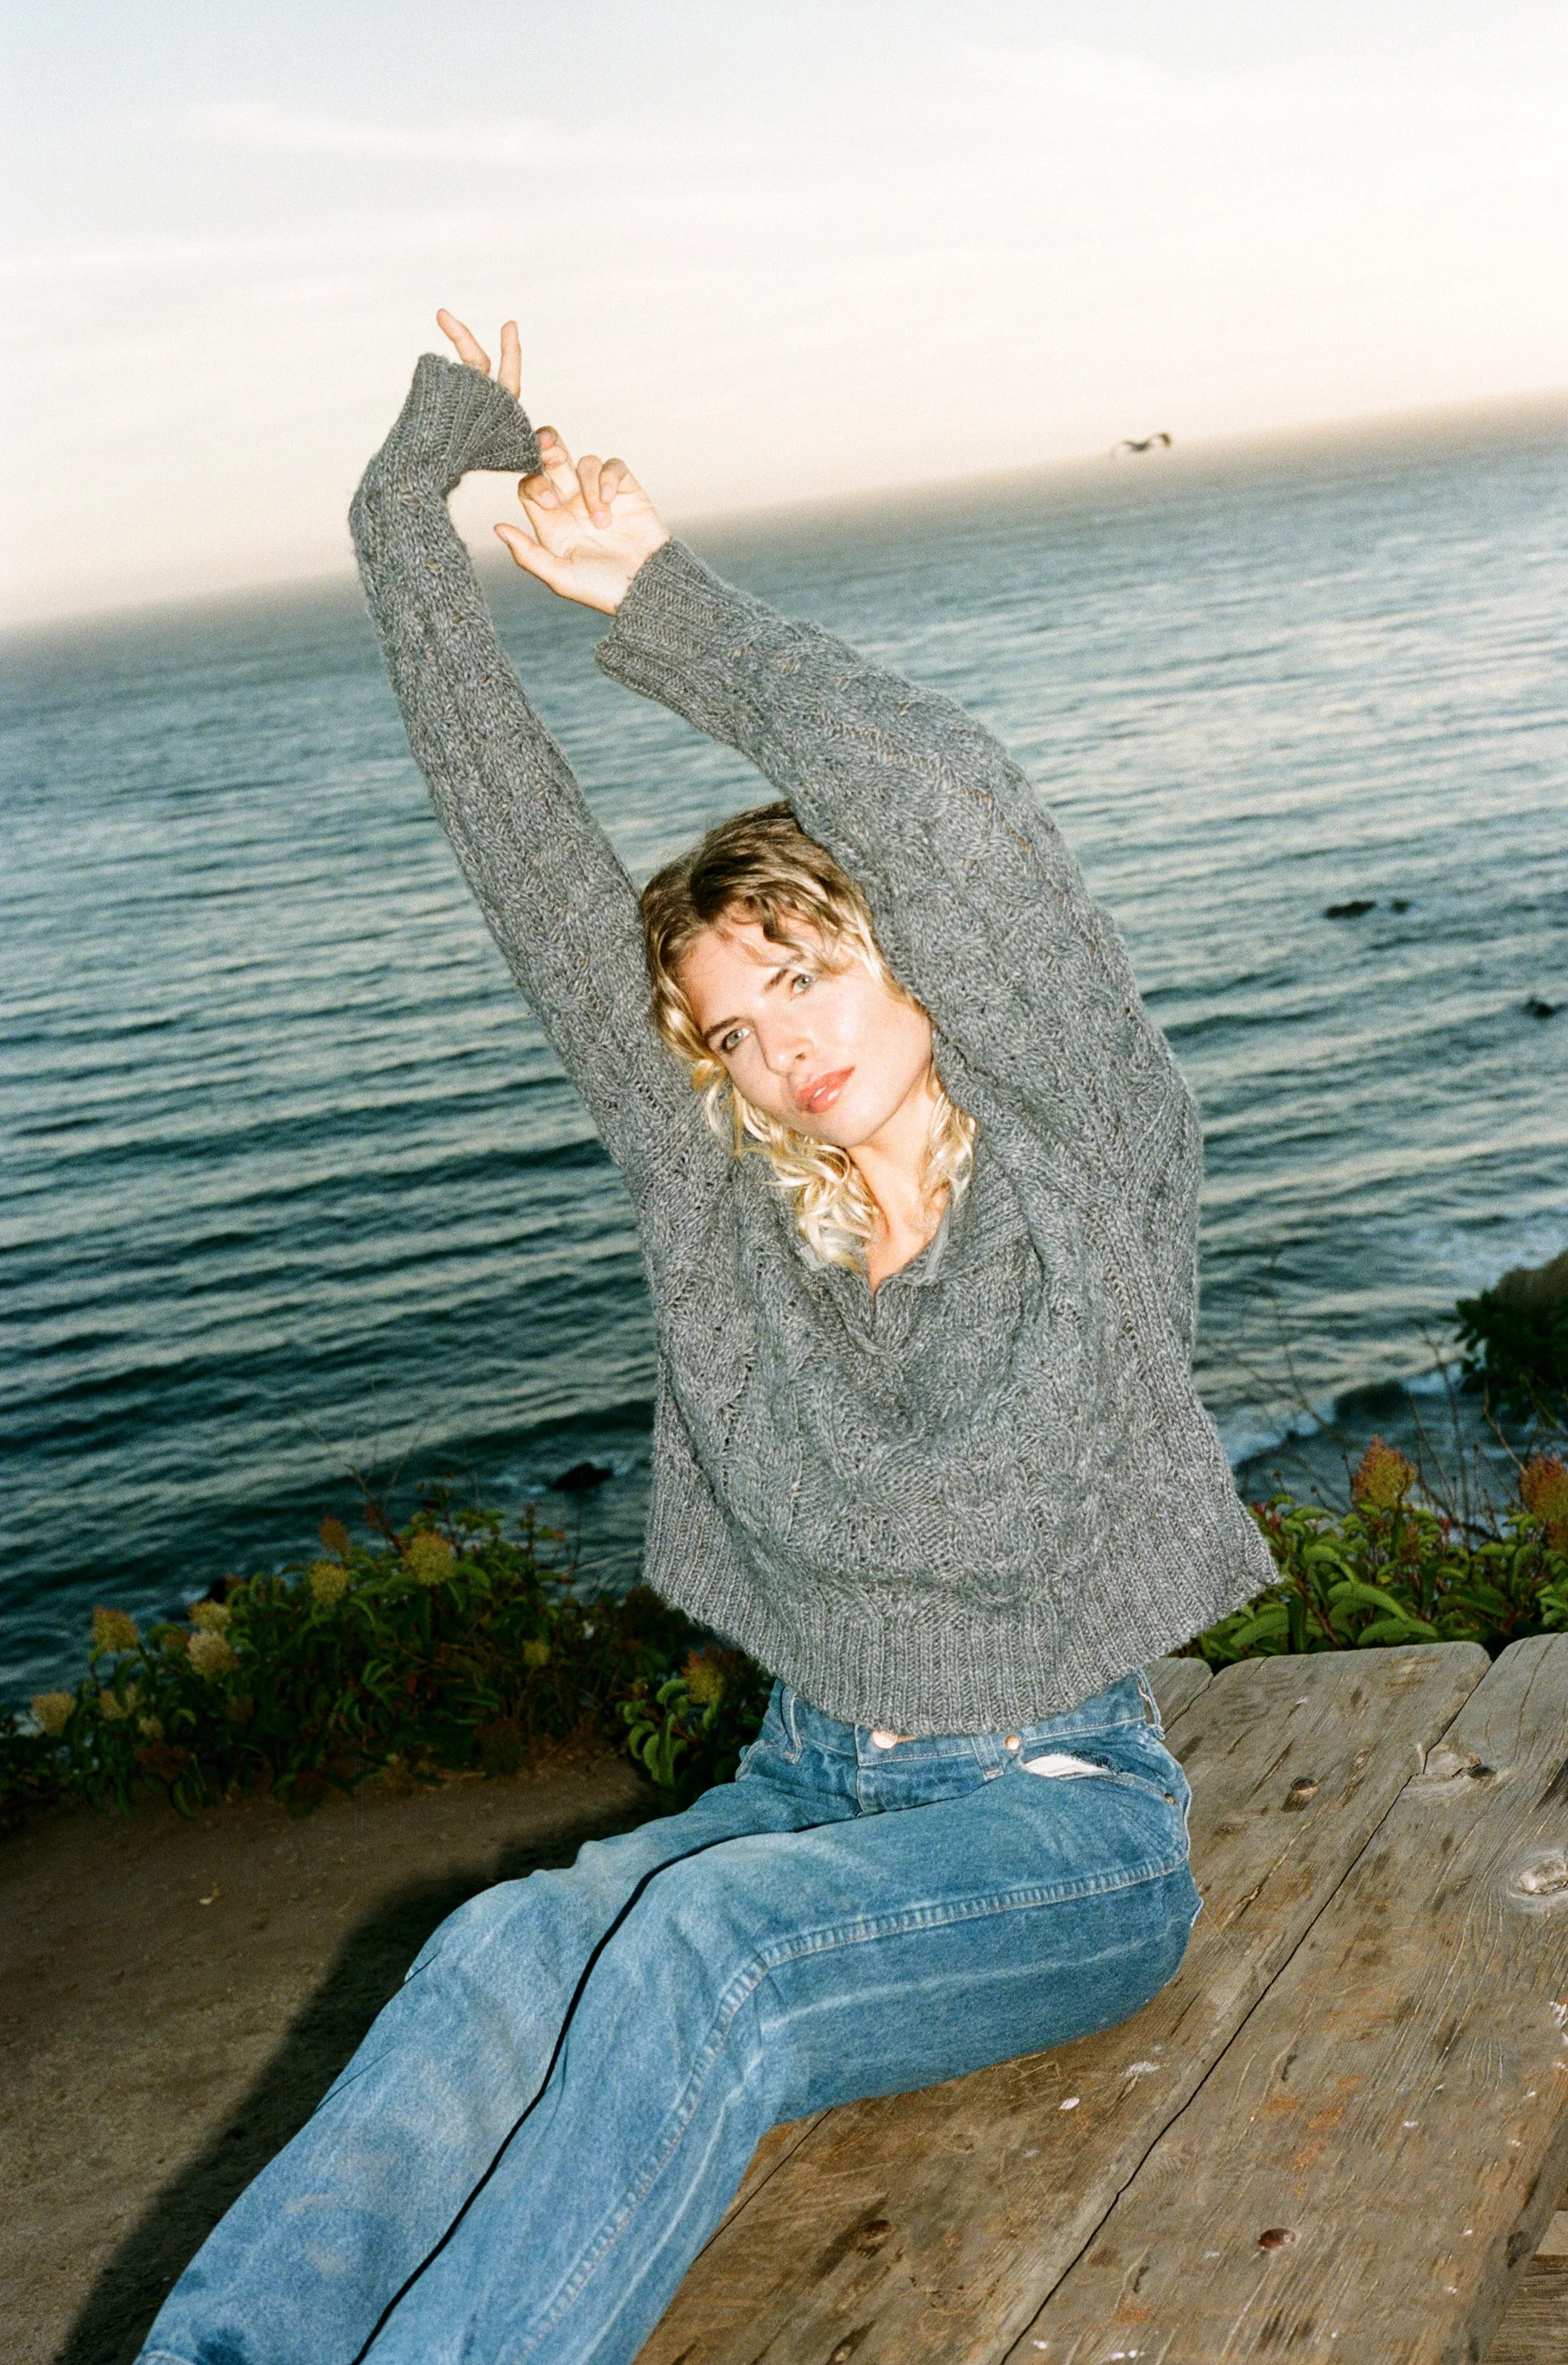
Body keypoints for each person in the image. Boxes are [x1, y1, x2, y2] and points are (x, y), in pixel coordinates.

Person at [135, 311, 1273, 2365]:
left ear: (907, 961)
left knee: (699, 1963)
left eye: (804, 973)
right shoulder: (731, 1212)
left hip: (1058, 1821)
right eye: (732, 1031)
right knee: (507, 1951)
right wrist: (408, 517)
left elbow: (956, 808)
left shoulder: (1092, 1165)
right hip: (795, 1789)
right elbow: (521, 855)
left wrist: (654, 594)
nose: (779, 1046)